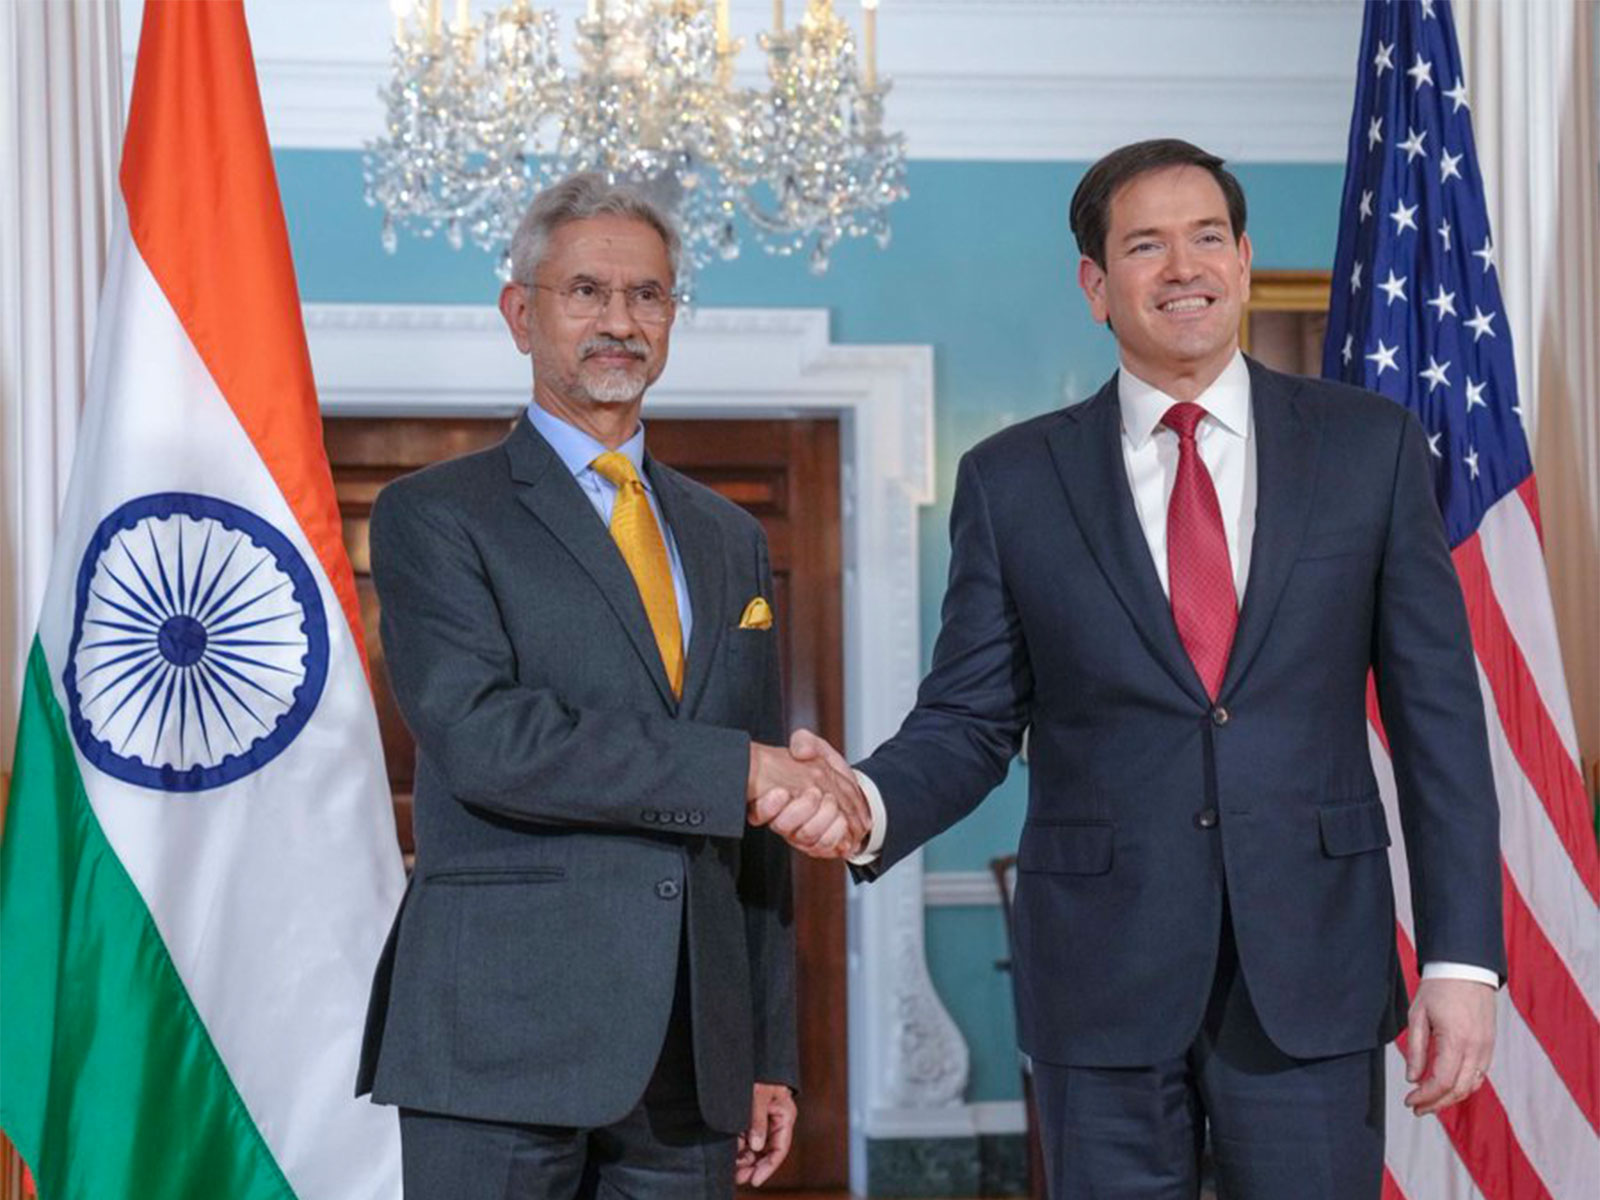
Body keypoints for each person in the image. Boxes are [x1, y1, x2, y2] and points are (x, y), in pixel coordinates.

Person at [775, 139, 1504, 1199]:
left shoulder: (1369, 449)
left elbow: (1439, 722)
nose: (1183, 268)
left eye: (1207, 237)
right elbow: (970, 720)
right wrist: (868, 802)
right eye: (1145, 245)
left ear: (1246, 262)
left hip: (1313, 974)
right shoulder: (1014, 479)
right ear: (1095, 285)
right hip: (1099, 982)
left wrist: (1459, 962)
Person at [355, 173, 867, 1199]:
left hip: (692, 1053)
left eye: (648, 297)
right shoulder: (434, 516)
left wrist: (765, 1048)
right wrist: (741, 768)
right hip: (497, 1039)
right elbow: (486, 737)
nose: (620, 323)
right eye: (585, 292)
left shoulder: (726, 537)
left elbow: (751, 828)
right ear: (520, 314)